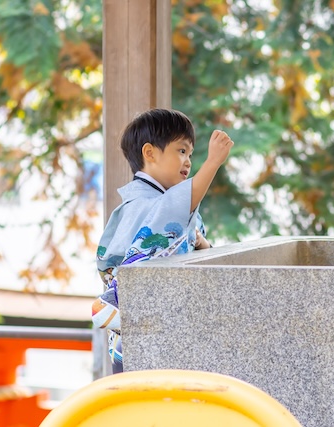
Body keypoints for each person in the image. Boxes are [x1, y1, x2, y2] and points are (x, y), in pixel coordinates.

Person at [92, 109, 233, 373]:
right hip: (145, 327)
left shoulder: (147, 202)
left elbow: (182, 221)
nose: (189, 161)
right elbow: (175, 208)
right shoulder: (148, 203)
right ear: (150, 153)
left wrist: (200, 242)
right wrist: (212, 162)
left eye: (191, 154)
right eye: (181, 151)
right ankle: (115, 297)